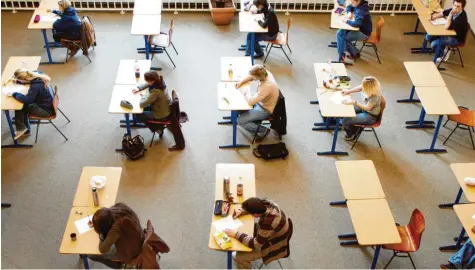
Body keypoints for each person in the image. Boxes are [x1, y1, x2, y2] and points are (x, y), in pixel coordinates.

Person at [224, 197, 290, 269]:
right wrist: (241, 211)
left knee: (239, 257)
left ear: (255, 214)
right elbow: (254, 209)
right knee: (248, 230)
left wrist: (235, 234)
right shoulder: (265, 203)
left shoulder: (268, 224)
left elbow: (256, 245)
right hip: (275, 234)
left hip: (273, 244)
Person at [133, 71, 184, 151]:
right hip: (163, 108)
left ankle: (158, 129)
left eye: (147, 80)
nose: (147, 82)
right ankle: (158, 129)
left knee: (138, 115)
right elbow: (148, 84)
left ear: (152, 80)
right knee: (142, 111)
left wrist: (142, 96)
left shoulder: (156, 92)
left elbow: (142, 104)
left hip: (161, 114)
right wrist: (139, 88)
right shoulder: (160, 81)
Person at [89, 203, 144, 269]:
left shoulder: (116, 228)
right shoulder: (118, 207)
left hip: (132, 251)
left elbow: (102, 249)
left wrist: (100, 232)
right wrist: (99, 224)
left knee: (91, 255)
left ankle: (121, 266)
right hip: (139, 238)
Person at [3, 69, 54, 140]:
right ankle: (25, 128)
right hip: (47, 105)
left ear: (25, 79)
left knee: (20, 107)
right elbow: (29, 81)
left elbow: (28, 100)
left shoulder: (35, 86)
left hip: (45, 111)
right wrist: (19, 81)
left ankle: (21, 129)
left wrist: (14, 94)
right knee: (23, 106)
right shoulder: (37, 75)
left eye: (20, 80)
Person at [235, 65, 279, 140]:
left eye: (255, 77)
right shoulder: (265, 73)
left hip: (265, 109)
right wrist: (241, 82)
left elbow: (251, 102)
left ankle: (263, 131)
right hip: (261, 102)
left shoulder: (267, 86)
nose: (253, 78)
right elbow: (251, 76)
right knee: (238, 106)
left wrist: (245, 93)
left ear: (259, 77)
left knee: (240, 121)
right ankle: (253, 120)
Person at [341, 76, 383, 141]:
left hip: (370, 116)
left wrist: (355, 102)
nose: (362, 87)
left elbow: (367, 108)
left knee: (345, 120)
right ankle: (353, 127)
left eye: (364, 86)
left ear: (369, 88)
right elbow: (360, 88)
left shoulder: (375, 96)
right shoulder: (370, 87)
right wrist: (348, 91)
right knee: (346, 109)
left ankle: (351, 135)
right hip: (365, 110)